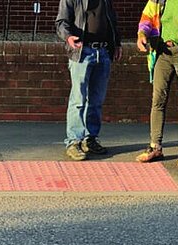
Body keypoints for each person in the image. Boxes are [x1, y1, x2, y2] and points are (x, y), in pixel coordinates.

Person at [135, 0, 178, 168]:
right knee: (157, 99)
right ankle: (155, 146)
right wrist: (142, 34)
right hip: (162, 52)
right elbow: (147, 17)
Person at [55, 0, 122, 161]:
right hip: (82, 51)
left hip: (103, 52)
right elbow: (61, 21)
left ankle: (90, 138)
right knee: (78, 99)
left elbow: (111, 19)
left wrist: (116, 44)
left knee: (96, 100)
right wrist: (68, 36)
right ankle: (74, 141)